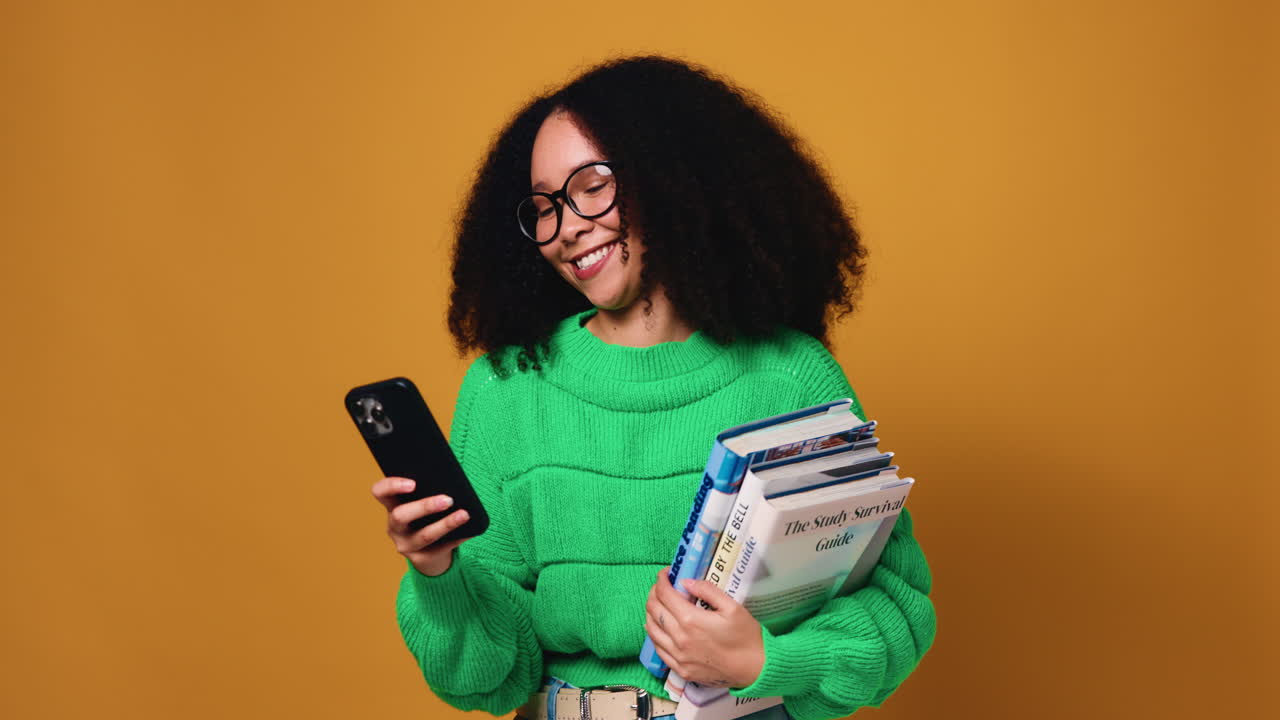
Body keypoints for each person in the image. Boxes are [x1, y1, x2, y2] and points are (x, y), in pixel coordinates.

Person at [369, 56, 936, 720]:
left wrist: (763, 663)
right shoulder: (505, 390)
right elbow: (488, 679)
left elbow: (896, 607)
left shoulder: (790, 377)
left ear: (671, 179)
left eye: (591, 186)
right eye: (544, 207)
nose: (568, 226)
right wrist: (438, 575)